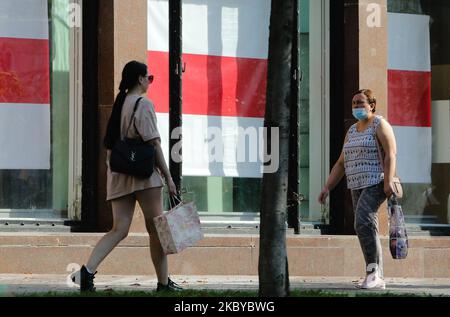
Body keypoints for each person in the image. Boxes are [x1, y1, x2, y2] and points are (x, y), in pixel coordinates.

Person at [73, 60, 182, 292]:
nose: (149, 82)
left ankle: (87, 272)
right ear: (140, 79)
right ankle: (163, 283)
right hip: (143, 174)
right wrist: (169, 178)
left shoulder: (120, 103)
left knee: (119, 229)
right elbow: (154, 144)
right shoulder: (143, 104)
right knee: (156, 230)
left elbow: (111, 147)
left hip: (120, 173)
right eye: (148, 78)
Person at [318, 89, 398, 290]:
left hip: (376, 181)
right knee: (366, 226)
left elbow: (391, 154)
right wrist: (327, 187)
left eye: (361, 102)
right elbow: (340, 163)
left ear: (372, 105)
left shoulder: (380, 124)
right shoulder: (352, 130)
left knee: (362, 222)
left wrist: (388, 182)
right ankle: (374, 273)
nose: (357, 106)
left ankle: (374, 273)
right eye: (354, 103)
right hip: (356, 184)